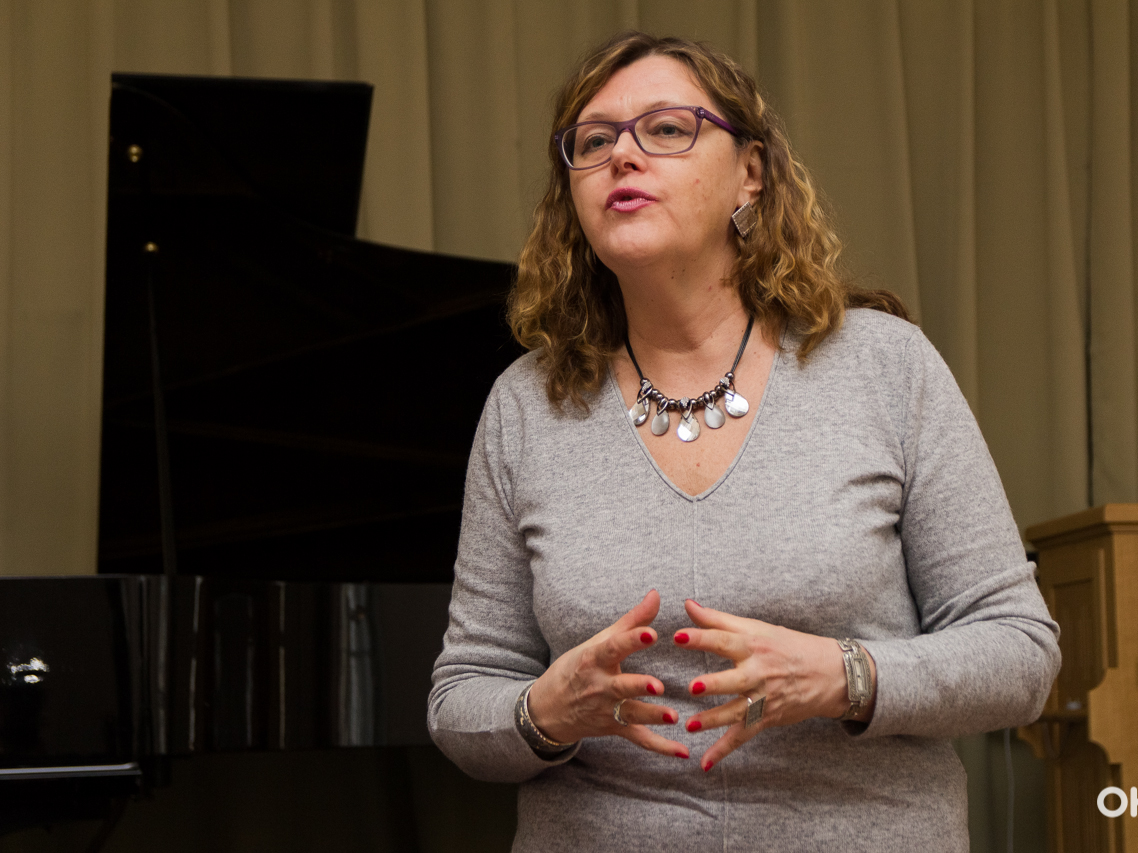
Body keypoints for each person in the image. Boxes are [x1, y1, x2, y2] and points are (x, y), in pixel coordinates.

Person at [428, 31, 1060, 852]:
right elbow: (461, 697)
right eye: (594, 140)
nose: (623, 155)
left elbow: (1020, 654)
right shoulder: (525, 405)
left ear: (750, 171)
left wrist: (844, 674)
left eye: (666, 128)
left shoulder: (885, 367)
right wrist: (543, 711)